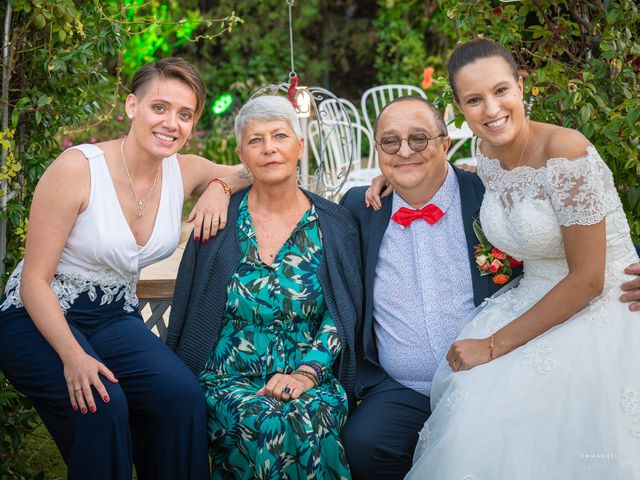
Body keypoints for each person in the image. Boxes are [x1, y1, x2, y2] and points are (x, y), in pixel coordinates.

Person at [0, 58, 252, 480]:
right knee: (102, 404)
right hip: (37, 317)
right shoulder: (77, 170)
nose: (171, 123)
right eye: (160, 107)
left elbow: (249, 170)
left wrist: (219, 186)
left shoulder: (183, 170)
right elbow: (34, 282)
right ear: (132, 106)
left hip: (113, 316)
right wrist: (73, 356)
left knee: (181, 397)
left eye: (184, 114)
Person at [405, 38, 640, 478]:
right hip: (534, 295)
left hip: (602, 302)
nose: (491, 109)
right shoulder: (488, 155)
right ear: (459, 108)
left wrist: (492, 346)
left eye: (500, 91)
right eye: (474, 100)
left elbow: (588, 279)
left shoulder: (566, 153)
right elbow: (434, 175)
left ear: (521, 86)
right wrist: (387, 182)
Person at [166, 95, 362, 479]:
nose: (269, 148)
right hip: (228, 376)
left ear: (300, 146)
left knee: (310, 419)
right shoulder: (217, 221)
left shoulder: (336, 225)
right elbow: (194, 304)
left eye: (280, 136)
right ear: (241, 153)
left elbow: (341, 314)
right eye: (256, 140)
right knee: (265, 423)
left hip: (309, 373)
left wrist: (307, 373)